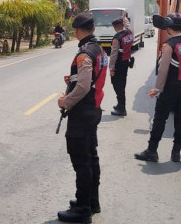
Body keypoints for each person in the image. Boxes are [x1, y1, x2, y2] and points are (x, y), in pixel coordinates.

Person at [57, 12, 108, 223]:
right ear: (93, 29)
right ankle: (91, 201)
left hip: (83, 113)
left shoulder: (84, 54)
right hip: (93, 110)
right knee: (91, 156)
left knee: (81, 160)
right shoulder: (99, 50)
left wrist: (65, 102)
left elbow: (84, 86)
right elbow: (90, 77)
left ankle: (83, 209)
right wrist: (74, 78)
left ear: (77, 31)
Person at [135, 12, 181, 163]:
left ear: (169, 27)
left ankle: (152, 151)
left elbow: (163, 69)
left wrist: (157, 89)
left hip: (170, 88)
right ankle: (176, 153)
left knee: (160, 119)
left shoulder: (170, 45)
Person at [109, 17, 134, 117]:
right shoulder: (129, 32)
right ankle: (120, 105)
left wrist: (111, 68)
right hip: (126, 62)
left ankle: (122, 108)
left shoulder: (117, 38)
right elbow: (128, 25)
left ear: (115, 27)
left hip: (118, 64)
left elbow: (114, 54)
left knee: (117, 85)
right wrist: (124, 17)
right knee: (122, 84)